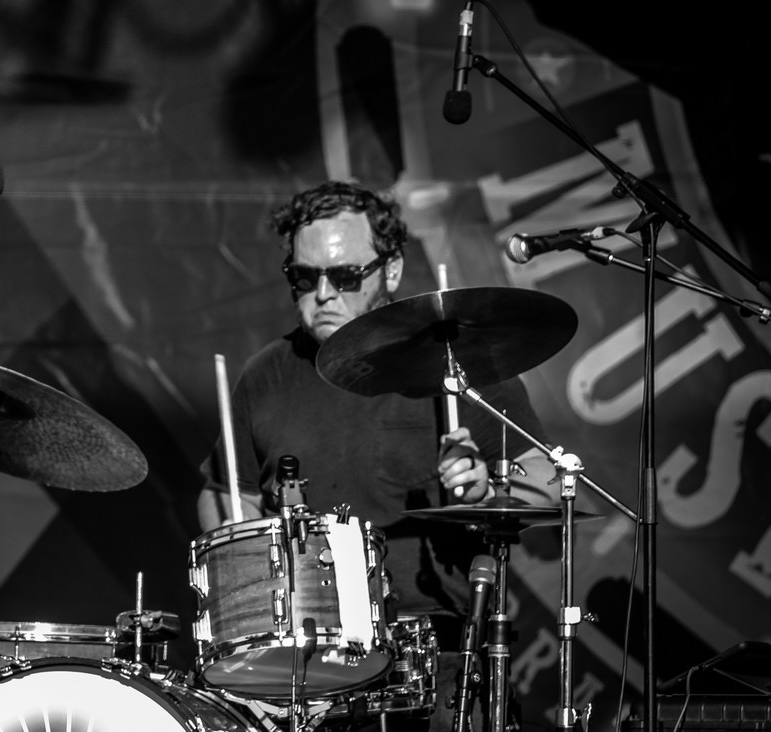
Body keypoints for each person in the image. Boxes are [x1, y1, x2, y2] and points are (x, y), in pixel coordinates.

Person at [198, 180, 554, 615]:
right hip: (304, 639)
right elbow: (228, 491)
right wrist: (243, 541)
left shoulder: (454, 359)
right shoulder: (266, 373)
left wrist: (488, 490)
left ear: (391, 270)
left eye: (345, 276)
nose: (323, 294)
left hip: (431, 642)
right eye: (304, 278)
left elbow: (548, 479)